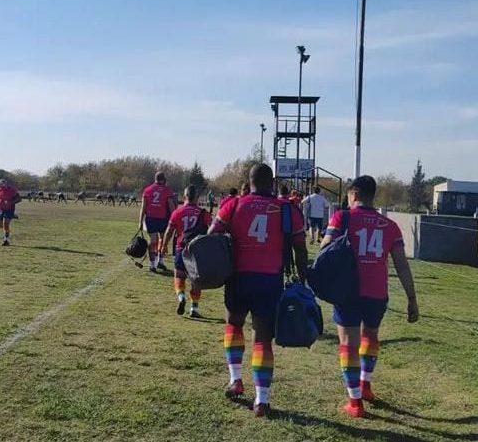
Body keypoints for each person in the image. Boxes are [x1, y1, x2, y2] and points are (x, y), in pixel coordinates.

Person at [208, 164, 308, 417]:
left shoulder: (233, 204)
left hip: (239, 277)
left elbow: (211, 237)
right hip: (269, 280)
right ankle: (261, 400)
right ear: (271, 182)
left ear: (249, 181)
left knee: (234, 324)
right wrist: (303, 279)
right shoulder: (288, 209)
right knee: (262, 337)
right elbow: (300, 249)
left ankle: (236, 380)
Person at [320, 175, 419, 418]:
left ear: (353, 193)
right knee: (371, 336)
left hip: (348, 291)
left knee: (348, 344)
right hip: (377, 292)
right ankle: (365, 384)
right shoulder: (390, 225)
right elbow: (402, 266)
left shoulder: (341, 217)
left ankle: (355, 401)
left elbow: (324, 250)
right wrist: (412, 299)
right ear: (372, 196)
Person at [161, 185, 212, 318]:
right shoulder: (204, 213)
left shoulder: (177, 212)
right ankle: (194, 308)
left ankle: (181, 297)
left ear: (184, 197)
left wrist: (164, 245)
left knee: (179, 276)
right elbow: (213, 229)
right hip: (197, 251)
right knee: (196, 280)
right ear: (197, 198)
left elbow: (169, 230)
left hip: (181, 248)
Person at [139, 171, 175, 273]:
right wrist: (174, 219)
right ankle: (160, 261)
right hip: (163, 219)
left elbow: (143, 207)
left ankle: (152, 264)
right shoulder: (167, 190)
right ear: (163, 179)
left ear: (155, 179)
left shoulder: (147, 190)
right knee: (162, 240)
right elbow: (171, 206)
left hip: (150, 219)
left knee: (153, 241)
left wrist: (140, 221)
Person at [0, 178, 22, 246]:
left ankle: (6, 240)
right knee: (1, 226)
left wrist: (10, 202)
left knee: (5, 224)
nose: (0, 187)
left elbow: (19, 199)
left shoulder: (12, 190)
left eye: (1, 186)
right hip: (1, 209)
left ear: (5, 184)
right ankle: (12, 216)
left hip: (9, 209)